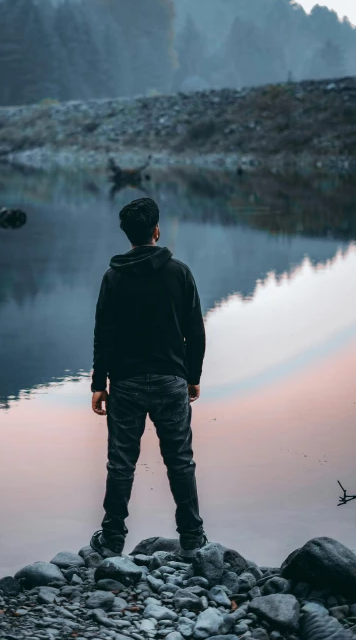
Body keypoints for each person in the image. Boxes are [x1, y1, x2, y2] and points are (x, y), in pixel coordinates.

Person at [89, 197, 207, 558]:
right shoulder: (180, 273)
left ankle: (111, 541)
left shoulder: (113, 278)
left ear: (129, 236)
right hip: (172, 380)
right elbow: (196, 333)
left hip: (125, 384)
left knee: (120, 463)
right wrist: (192, 376)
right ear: (156, 231)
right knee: (180, 460)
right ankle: (192, 537)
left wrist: (99, 384)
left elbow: (103, 333)